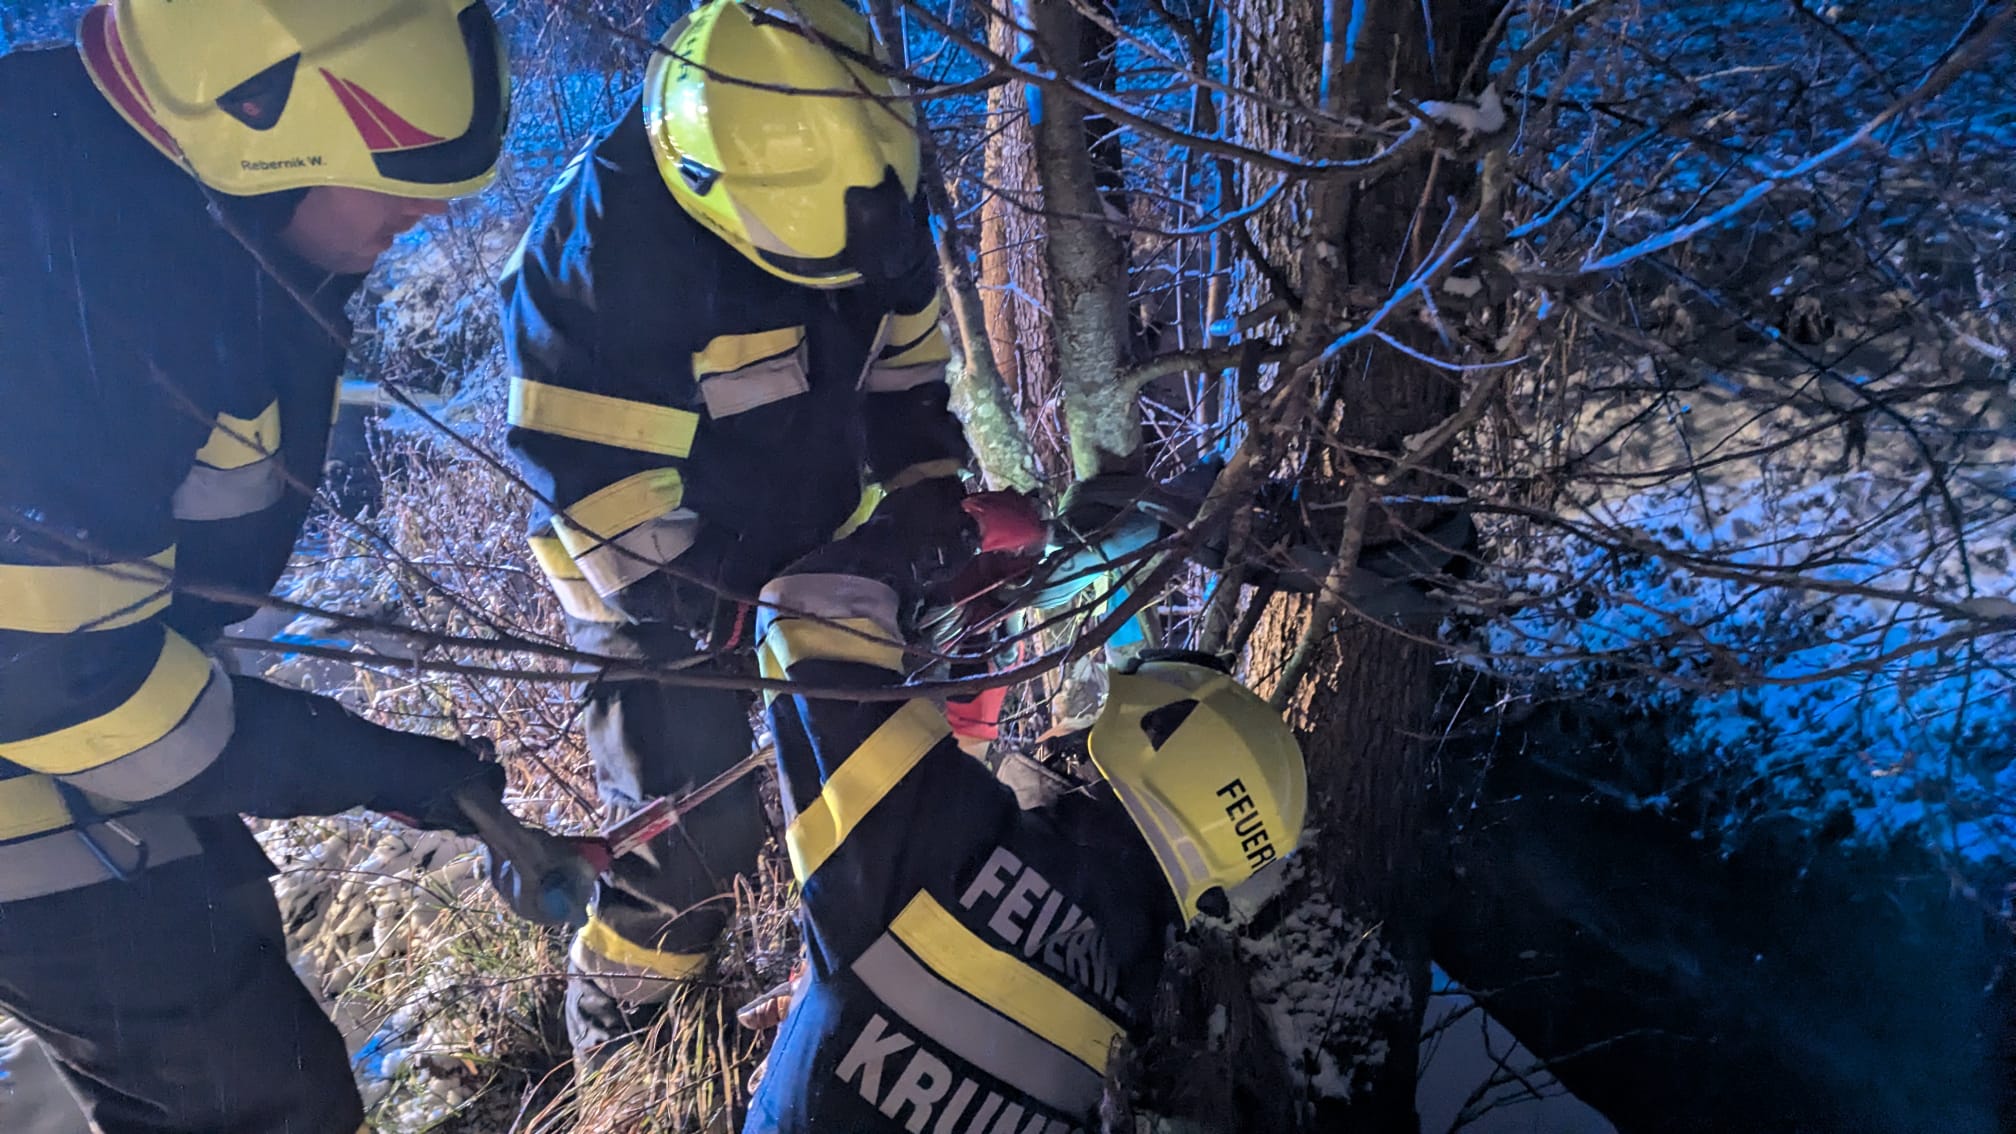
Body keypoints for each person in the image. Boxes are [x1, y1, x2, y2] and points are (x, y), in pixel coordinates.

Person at [0, 3, 579, 1131]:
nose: (435, 209)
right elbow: (73, 693)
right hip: (43, 755)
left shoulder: (157, 217)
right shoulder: (86, 291)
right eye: (401, 173)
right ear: (257, 123)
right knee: (256, 1101)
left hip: (73, 733)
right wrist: (378, 764)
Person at [501, 0, 986, 1063]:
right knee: (691, 843)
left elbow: (906, 376)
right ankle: (624, 1052)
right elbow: (601, 500)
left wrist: (925, 497)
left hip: (816, 548)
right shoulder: (604, 255)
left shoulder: (872, 194)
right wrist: (735, 611)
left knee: (886, 774)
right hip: (652, 585)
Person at [737, 515, 1309, 1133]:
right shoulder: (1149, 1022)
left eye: (1089, 724)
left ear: (1128, 752)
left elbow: (810, 607)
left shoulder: (941, 843)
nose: (1063, 734)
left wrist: (946, 531)